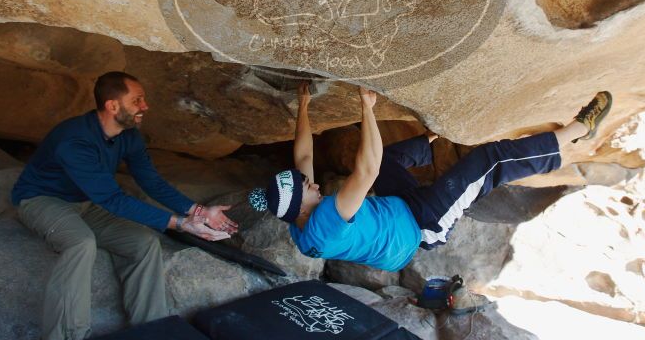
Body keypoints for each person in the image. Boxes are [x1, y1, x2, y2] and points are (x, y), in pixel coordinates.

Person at [249, 82, 612, 272]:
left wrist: (305, 105)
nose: (312, 183)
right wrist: (367, 107)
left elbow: (304, 155)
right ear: (302, 207)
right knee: (489, 160)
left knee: (389, 159)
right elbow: (366, 169)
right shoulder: (324, 224)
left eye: (305, 181)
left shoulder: (298, 214)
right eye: (307, 187)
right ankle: (576, 131)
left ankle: (429, 142)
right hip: (421, 226)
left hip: (396, 210)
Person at [11, 71, 238, 340]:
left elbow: (150, 181)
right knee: (81, 243)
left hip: (88, 203)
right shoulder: (74, 139)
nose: (145, 106)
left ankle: (153, 331)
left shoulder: (128, 136)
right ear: (112, 105)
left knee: (144, 243)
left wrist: (198, 212)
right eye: (137, 100)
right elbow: (113, 199)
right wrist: (180, 224)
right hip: (43, 200)